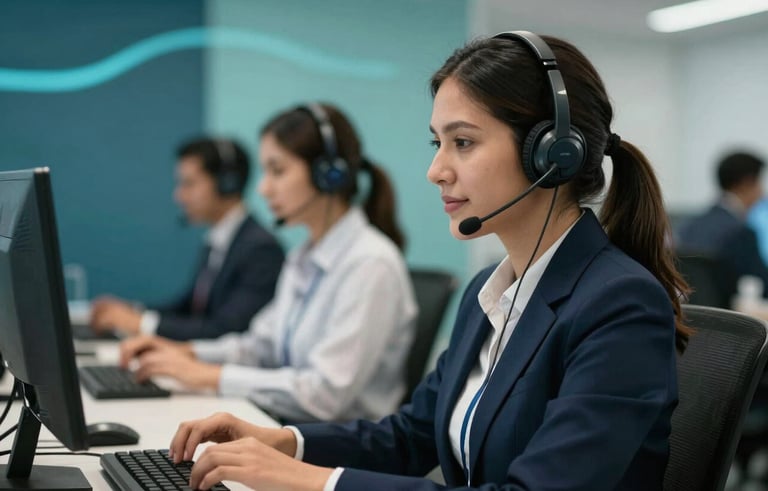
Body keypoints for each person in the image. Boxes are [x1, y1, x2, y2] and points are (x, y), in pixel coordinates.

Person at [165, 31, 692, 491]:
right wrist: (284, 441)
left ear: (552, 154)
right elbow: (413, 434)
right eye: (437, 143)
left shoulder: (619, 305)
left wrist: (315, 482)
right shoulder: (490, 290)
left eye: (462, 142)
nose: (436, 170)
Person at [120, 103, 417, 424]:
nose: (263, 187)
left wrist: (210, 376)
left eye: (277, 170)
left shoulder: (370, 264)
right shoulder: (302, 257)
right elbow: (260, 346)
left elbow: (325, 394)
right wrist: (189, 353)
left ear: (328, 174)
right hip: (293, 427)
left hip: (344, 450)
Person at [89, 138, 284, 341]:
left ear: (226, 183)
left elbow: (227, 329)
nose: (179, 196)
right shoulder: (219, 239)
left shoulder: (261, 249)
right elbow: (189, 307)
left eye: (189, 184)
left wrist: (140, 323)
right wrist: (133, 311)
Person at [677, 151, 768, 298]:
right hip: (732, 316)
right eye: (759, 184)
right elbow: (764, 285)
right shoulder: (741, 233)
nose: (763, 193)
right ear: (747, 183)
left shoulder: (689, 226)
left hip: (691, 315)